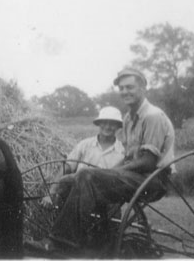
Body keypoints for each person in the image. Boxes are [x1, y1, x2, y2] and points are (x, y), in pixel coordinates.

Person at [46, 67, 175, 253]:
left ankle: (61, 243)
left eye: (130, 87)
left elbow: (148, 162)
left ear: (143, 88)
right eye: (121, 88)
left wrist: (108, 173)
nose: (124, 92)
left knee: (87, 175)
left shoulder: (152, 116)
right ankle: (84, 242)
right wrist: (107, 173)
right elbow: (129, 159)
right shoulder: (130, 119)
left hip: (153, 180)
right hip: (136, 178)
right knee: (75, 179)